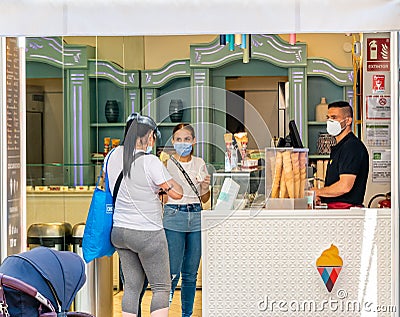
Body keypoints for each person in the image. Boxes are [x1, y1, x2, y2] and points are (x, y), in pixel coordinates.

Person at [107, 113, 183, 317]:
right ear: (150, 136)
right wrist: (170, 179)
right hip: (147, 233)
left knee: (131, 286)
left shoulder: (113, 155)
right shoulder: (151, 162)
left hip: (120, 232)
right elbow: (176, 193)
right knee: (161, 286)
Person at [162, 123, 210, 317]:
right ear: (173, 141)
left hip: (197, 216)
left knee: (190, 274)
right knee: (172, 273)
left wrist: (206, 186)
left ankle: (187, 314)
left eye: (187, 139)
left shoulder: (200, 163)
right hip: (174, 215)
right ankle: (163, 313)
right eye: (179, 139)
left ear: (194, 141)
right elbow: (163, 196)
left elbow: (205, 199)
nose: (183, 143)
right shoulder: (167, 164)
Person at [313, 101, 369, 209]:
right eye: (328, 117)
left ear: (348, 120)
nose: (330, 121)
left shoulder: (352, 147)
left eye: (334, 117)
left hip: (346, 212)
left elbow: (344, 186)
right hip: (336, 210)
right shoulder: (340, 147)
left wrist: (318, 192)